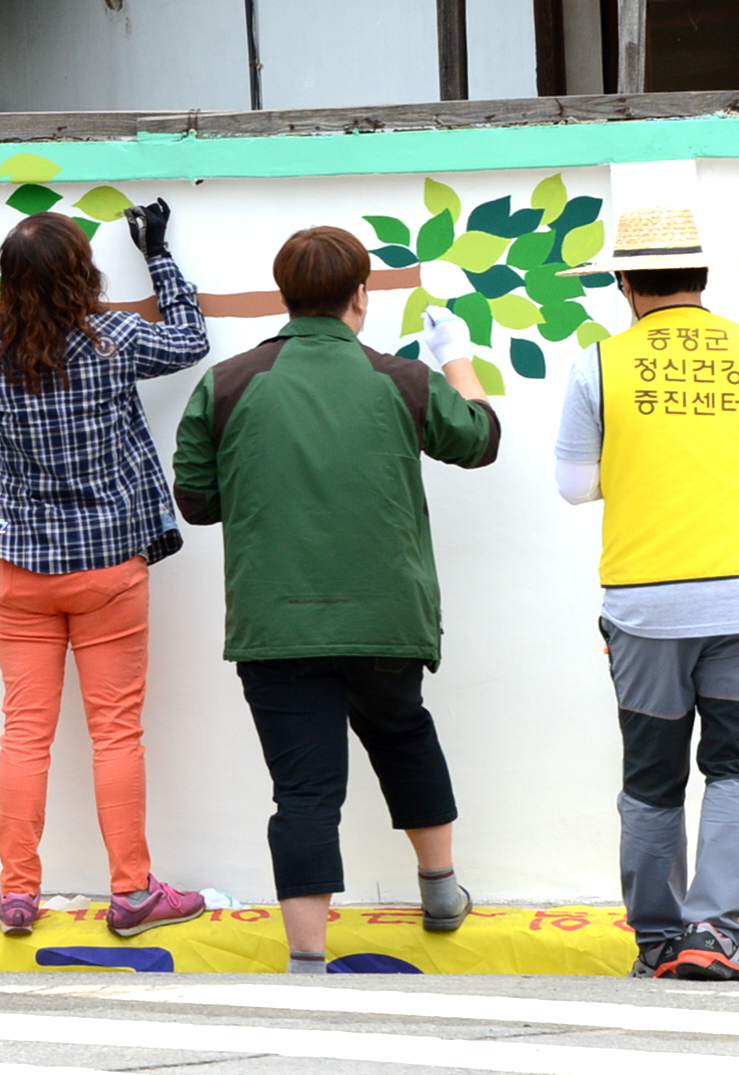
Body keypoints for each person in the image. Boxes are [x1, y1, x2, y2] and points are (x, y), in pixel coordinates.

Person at [173, 226, 498, 973]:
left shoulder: (228, 384)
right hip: (386, 617)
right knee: (404, 734)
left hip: (276, 622)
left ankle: (308, 961)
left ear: (284, 295)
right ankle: (440, 892)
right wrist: (455, 358)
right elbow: (479, 440)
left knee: (304, 790)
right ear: (361, 296)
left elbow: (196, 501)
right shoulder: (402, 380)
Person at [553, 204, 739, 982]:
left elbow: (572, 486)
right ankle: (713, 936)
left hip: (645, 605)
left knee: (650, 774)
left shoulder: (598, 364)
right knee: (738, 768)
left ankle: (657, 944)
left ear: (623, 282)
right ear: (701, 276)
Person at [0, 203, 211, 938]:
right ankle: (131, 894)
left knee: (24, 733)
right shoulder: (115, 339)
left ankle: (17, 895)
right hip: (107, 567)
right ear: (82, 274)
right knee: (115, 732)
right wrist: (157, 254)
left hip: (18, 572)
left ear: (6, 279)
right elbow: (191, 340)